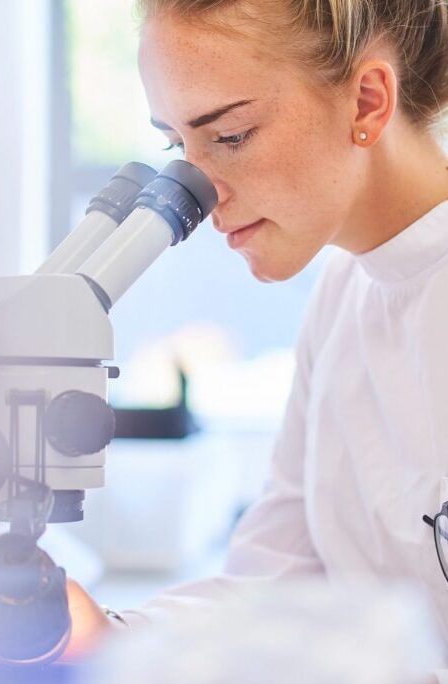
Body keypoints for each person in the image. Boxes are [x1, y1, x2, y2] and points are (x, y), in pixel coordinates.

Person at [61, 0, 448, 678]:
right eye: (179, 145)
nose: (201, 191)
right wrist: (105, 634)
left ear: (367, 101)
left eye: (231, 135)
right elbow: (281, 585)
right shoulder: (343, 298)